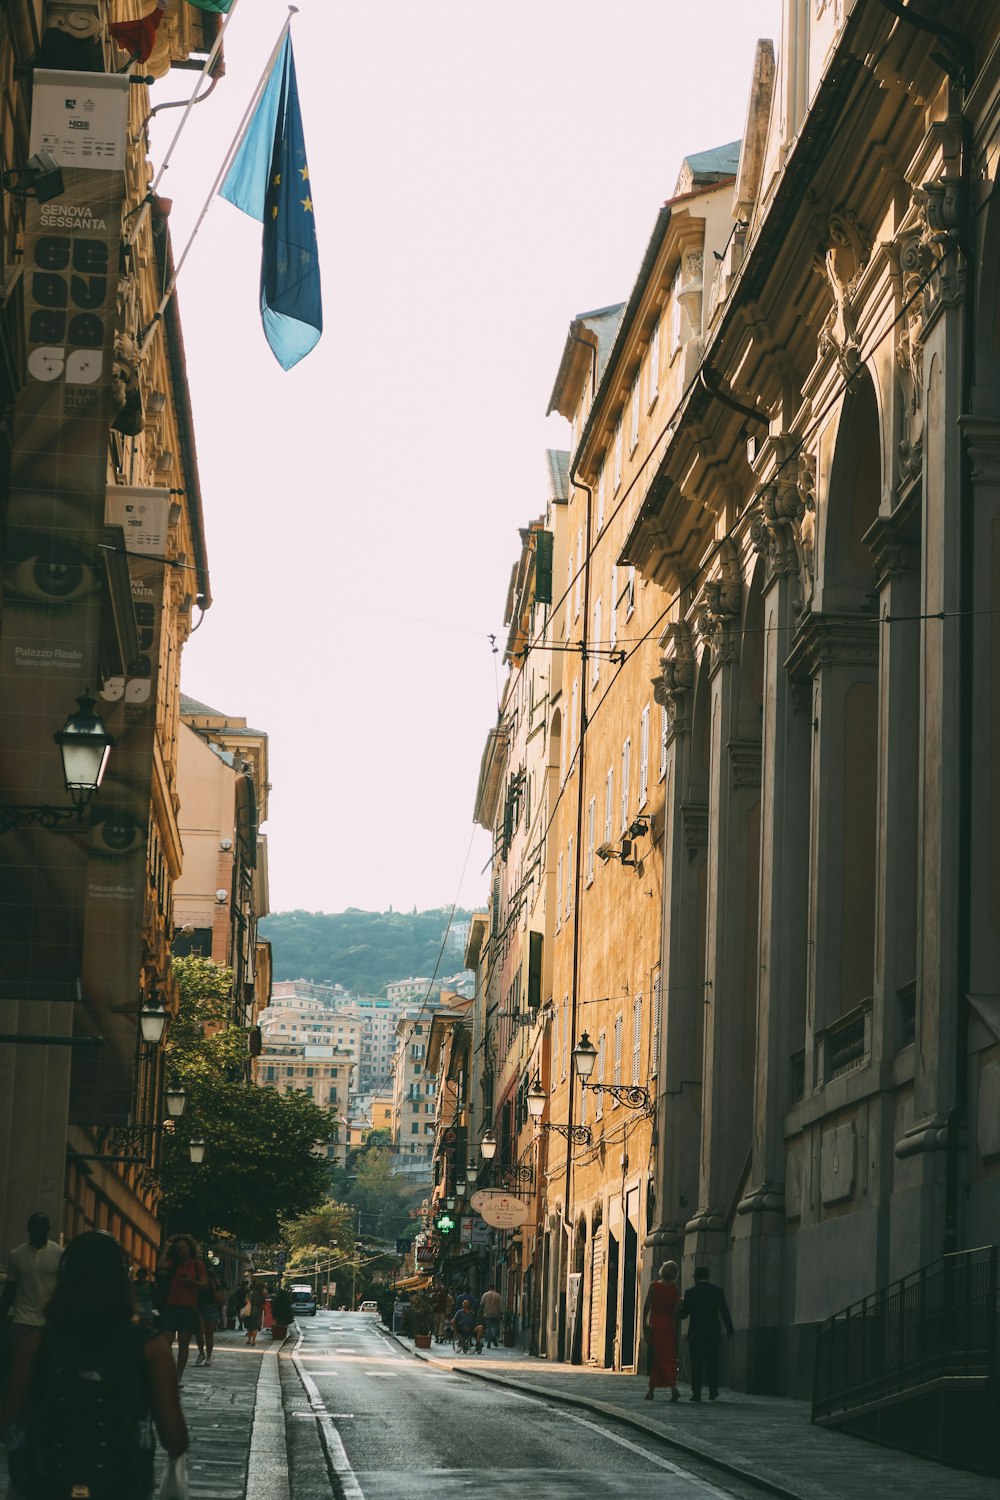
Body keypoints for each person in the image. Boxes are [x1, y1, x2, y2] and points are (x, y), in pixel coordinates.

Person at [1, 1230, 187, 1500]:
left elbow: (9, 1421)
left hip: (46, 1484)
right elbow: (175, 1438)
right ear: (122, 1280)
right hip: (120, 1486)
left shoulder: (36, 1344)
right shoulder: (151, 1348)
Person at [0, 1214, 63, 1356]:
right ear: (28, 1229)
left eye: (41, 1226)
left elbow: (63, 1289)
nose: (38, 1229)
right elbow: (10, 1290)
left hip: (48, 1322)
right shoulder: (16, 1255)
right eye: (34, 1226)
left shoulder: (59, 1254)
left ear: (48, 1229)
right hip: (22, 1321)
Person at [679, 1265, 734, 1402]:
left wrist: (679, 1307)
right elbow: (724, 1312)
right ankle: (713, 1391)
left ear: (696, 1278)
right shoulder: (717, 1291)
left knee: (696, 1365)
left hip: (696, 1334)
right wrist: (730, 1329)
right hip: (712, 1333)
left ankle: (696, 1393)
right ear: (707, 1276)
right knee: (712, 1363)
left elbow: (684, 1315)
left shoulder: (690, 1293)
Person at [158, 1235, 208, 1384]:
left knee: (183, 1343)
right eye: (178, 1248)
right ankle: (169, 1371)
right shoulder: (173, 1264)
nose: (181, 1250)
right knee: (166, 1342)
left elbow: (204, 1284)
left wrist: (191, 1282)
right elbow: (160, 1265)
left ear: (189, 1248)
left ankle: (178, 1376)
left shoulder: (197, 1265)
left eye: (183, 1247)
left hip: (188, 1307)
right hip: (171, 1306)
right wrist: (167, 1246)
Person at [642, 1261, 681, 1402]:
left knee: (658, 1357)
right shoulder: (675, 1290)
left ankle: (663, 1389)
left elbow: (646, 1305)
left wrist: (643, 1324)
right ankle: (661, 1389)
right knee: (668, 1357)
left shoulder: (654, 1286)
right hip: (668, 1326)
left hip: (656, 1324)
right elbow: (676, 1312)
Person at [195, 1265, 224, 1368]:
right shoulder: (200, 1285)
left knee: (209, 1335)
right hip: (200, 1309)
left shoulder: (217, 1287)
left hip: (212, 1310)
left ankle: (209, 1357)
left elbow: (220, 1300)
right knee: (198, 1332)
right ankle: (201, 1353)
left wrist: (214, 1288)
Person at [243, 1279, 267, 1347]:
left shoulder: (251, 1293)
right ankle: (253, 1341)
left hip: (249, 1311)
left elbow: (245, 1301)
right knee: (255, 1327)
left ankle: (248, 1340)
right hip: (257, 1312)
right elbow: (263, 1304)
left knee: (249, 1326)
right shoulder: (261, 1295)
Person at [480, 1284, 502, 1349]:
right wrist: (500, 1313)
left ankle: (489, 1342)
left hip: (487, 1314)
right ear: (494, 1288)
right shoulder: (498, 1295)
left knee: (488, 1328)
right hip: (495, 1314)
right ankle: (493, 1336)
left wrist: (481, 1313)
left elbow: (481, 1304)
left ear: (489, 1288)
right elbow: (500, 1306)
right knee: (495, 1327)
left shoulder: (485, 1295)